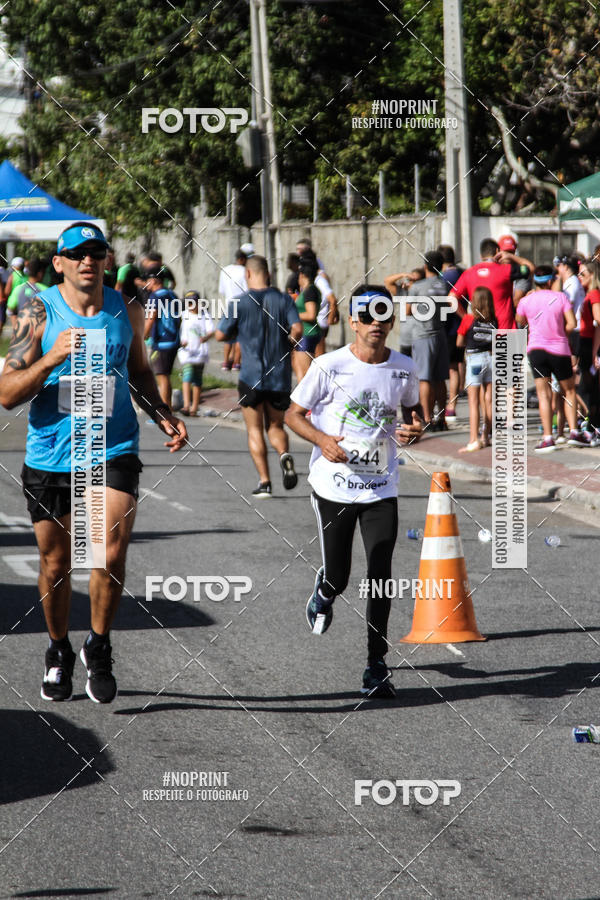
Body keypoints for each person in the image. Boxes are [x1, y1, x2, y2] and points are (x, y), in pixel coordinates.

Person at [0, 222, 188, 703]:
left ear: (106, 259)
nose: (88, 260)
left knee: (107, 551)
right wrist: (49, 359)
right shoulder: (38, 311)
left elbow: (141, 372)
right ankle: (59, 649)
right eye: (77, 253)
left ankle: (99, 646)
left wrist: (162, 413)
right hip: (52, 454)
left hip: (112, 448)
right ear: (58, 262)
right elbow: (6, 395)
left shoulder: (125, 307)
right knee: (56, 562)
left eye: (97, 252)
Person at [285, 285, 423, 698]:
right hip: (334, 486)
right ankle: (324, 592)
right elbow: (292, 415)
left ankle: (376, 664)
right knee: (341, 577)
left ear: (392, 321)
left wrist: (416, 429)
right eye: (367, 317)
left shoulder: (403, 367)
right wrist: (323, 440)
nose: (376, 324)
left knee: (380, 575)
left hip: (382, 487)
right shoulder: (328, 365)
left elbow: (414, 411)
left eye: (384, 316)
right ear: (353, 322)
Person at [216, 254, 302, 497]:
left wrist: (238, 331)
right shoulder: (285, 300)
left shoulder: (238, 302)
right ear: (269, 274)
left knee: (254, 430)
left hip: (251, 376)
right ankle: (284, 455)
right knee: (275, 425)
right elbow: (297, 329)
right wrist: (289, 341)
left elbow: (220, 335)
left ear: (248, 274)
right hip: (280, 377)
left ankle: (265, 482)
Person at [516, 265, 588, 452]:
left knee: (543, 395)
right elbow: (572, 323)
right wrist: (559, 333)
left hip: (536, 349)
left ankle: (548, 437)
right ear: (550, 281)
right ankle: (573, 432)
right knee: (569, 391)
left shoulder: (527, 300)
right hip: (559, 349)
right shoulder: (561, 297)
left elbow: (520, 320)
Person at [406, 250, 451, 429]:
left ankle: (427, 418)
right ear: (441, 267)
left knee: (424, 378)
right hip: (440, 334)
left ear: (425, 267)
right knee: (440, 379)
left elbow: (408, 311)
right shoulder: (445, 285)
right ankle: (442, 418)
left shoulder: (417, 286)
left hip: (422, 335)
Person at [449, 238, 534, 330]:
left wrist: (465, 318)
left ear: (481, 256)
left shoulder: (468, 273)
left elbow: (451, 298)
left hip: (480, 331)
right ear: (498, 251)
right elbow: (531, 268)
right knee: (516, 344)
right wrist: (510, 256)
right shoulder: (506, 269)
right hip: (505, 329)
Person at [456, 286, 496, 452]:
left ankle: (473, 439)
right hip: (491, 358)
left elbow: (459, 342)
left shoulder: (468, 319)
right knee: (489, 400)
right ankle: (486, 436)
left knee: (473, 402)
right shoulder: (494, 320)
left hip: (474, 360)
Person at [143, 268, 181, 409]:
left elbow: (151, 317)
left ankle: (165, 412)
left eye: (147, 281)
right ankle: (168, 408)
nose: (146, 284)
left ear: (153, 281)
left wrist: (143, 336)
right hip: (174, 340)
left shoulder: (155, 296)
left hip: (162, 342)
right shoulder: (172, 294)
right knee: (166, 376)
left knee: (162, 376)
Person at [437, 244, 465, 421]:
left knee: (446, 369)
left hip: (447, 327)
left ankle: (443, 405)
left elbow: (448, 301)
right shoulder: (463, 273)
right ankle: (452, 407)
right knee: (456, 365)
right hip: (460, 327)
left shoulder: (444, 277)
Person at [178, 290, 214, 416]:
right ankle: (186, 405)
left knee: (197, 379)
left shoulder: (204, 315)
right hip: (187, 352)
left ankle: (194, 407)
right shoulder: (184, 315)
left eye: (194, 302)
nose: (192, 305)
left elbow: (211, 331)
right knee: (187, 377)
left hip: (200, 352)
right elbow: (180, 330)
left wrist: (205, 337)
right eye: (189, 303)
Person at [578, 259, 600, 433]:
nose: (579, 277)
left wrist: (595, 352)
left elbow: (599, 321)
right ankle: (591, 422)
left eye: (582, 273)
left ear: (592, 275)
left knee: (588, 387)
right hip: (586, 342)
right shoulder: (589, 293)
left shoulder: (593, 293)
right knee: (588, 386)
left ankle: (592, 423)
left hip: (589, 342)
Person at [384, 267, 425, 357]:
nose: (412, 283)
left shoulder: (424, 294)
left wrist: (412, 292)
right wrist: (403, 275)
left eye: (415, 281)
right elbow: (387, 281)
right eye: (410, 280)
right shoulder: (403, 292)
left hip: (420, 339)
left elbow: (407, 311)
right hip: (406, 340)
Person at [292, 258, 321, 382]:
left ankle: (307, 401)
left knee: (305, 376)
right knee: (299, 372)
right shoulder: (307, 291)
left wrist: (292, 313)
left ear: (302, 275)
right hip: (303, 335)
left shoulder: (310, 291)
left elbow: (311, 314)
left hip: (308, 334)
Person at [218, 249, 247, 371]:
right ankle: (236, 362)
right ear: (242, 259)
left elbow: (222, 291)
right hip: (242, 306)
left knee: (228, 335)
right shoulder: (244, 271)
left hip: (229, 305)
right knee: (240, 336)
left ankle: (225, 362)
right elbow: (247, 290)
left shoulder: (225, 270)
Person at [6, 257, 49, 326]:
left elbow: (9, 310)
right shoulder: (46, 290)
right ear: (40, 273)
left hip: (22, 329)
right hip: (41, 332)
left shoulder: (18, 289)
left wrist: (16, 328)